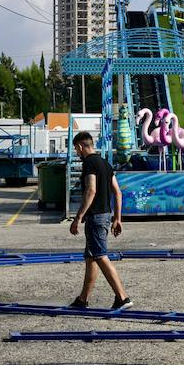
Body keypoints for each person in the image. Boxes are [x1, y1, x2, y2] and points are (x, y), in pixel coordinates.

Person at [68, 131, 133, 311]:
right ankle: (83, 299)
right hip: (105, 216)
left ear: (80, 146)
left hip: (95, 218)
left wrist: (78, 217)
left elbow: (91, 190)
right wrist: (117, 218)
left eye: (76, 149)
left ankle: (122, 297)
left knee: (100, 256)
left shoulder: (89, 163)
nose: (77, 153)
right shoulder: (105, 163)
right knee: (91, 258)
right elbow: (118, 193)